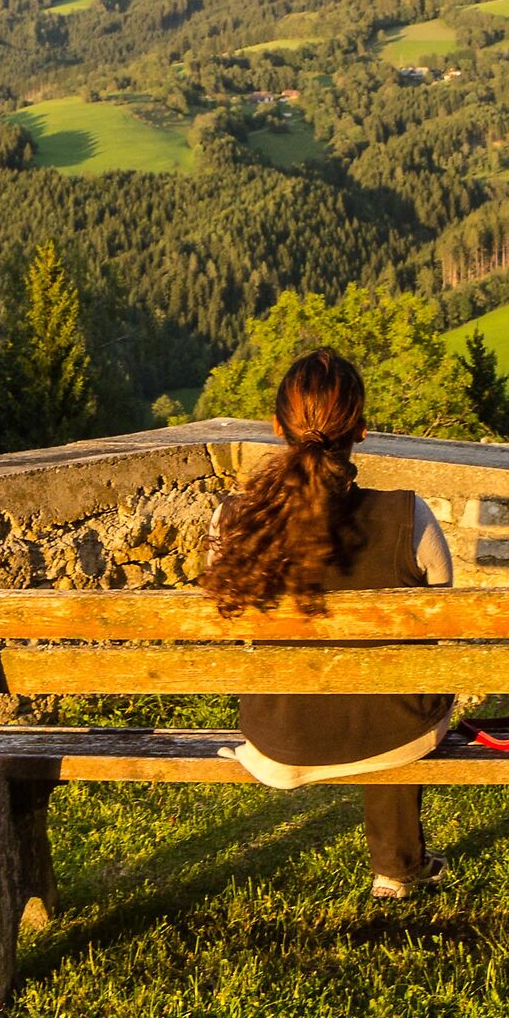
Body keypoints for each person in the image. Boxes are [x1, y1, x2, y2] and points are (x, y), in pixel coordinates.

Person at [200, 347, 456, 899]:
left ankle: (398, 865)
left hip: (280, 733)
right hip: (398, 729)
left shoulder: (232, 521)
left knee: (384, 690)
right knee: (397, 686)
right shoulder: (408, 517)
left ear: (277, 427)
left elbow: (229, 616)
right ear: (360, 429)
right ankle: (396, 868)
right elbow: (441, 620)